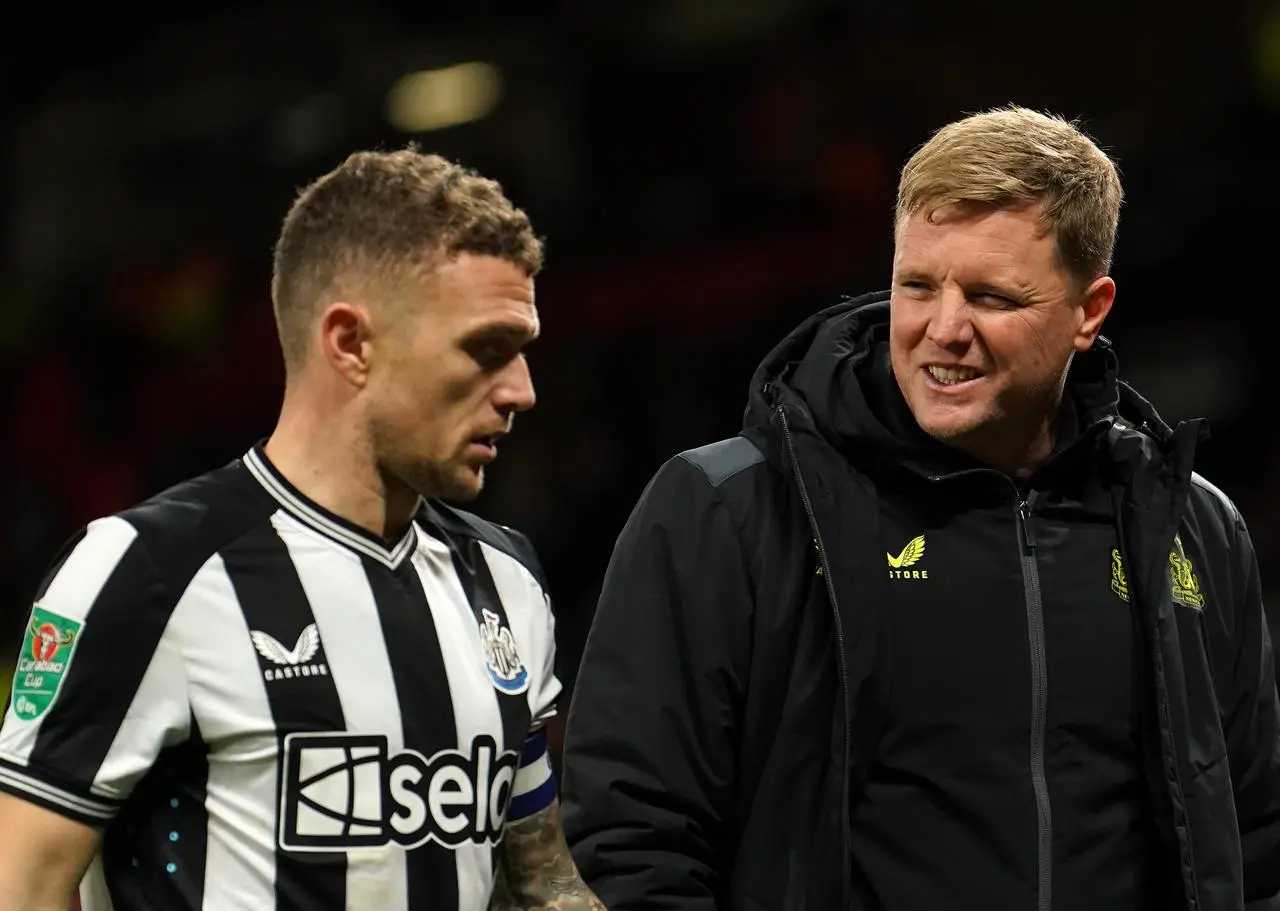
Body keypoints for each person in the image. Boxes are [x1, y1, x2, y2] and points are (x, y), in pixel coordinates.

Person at [561, 106, 1280, 911]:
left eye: (991, 296)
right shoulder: (734, 510)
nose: (943, 329)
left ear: (1089, 310)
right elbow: (630, 837)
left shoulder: (1192, 528)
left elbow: (1254, 842)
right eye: (917, 285)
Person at [0, 147, 604, 911]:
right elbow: (19, 884)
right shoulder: (147, 572)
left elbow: (544, 887)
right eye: (486, 349)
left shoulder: (505, 582)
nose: (522, 390)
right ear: (350, 343)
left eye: (523, 351)